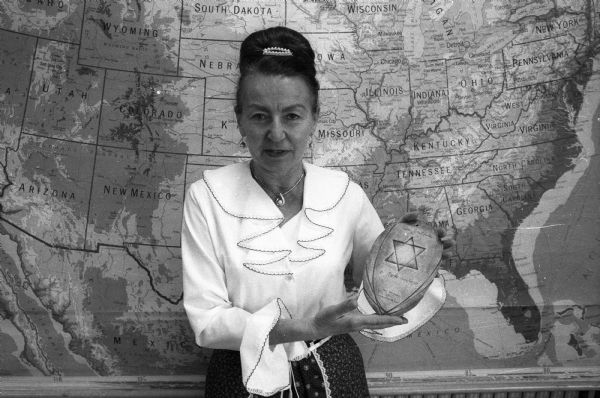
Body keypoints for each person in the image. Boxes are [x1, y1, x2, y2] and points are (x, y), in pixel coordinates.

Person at [181, 26, 450, 398]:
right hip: (240, 379)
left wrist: (413, 255)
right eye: (260, 116)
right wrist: (303, 327)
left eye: (292, 116)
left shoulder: (344, 194)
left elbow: (382, 297)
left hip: (336, 374)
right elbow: (207, 320)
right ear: (239, 118)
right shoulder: (206, 197)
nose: (276, 134)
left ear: (314, 117)